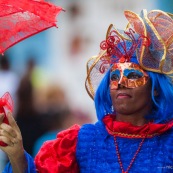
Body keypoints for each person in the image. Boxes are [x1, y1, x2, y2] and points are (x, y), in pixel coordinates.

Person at [1, 8, 173, 173]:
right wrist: (17, 157)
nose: (121, 83)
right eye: (114, 76)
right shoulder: (83, 141)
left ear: (156, 88)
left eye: (133, 75)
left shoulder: (169, 141)